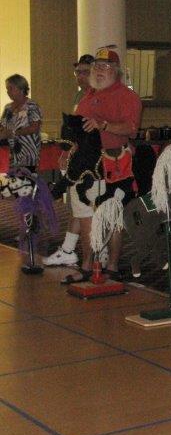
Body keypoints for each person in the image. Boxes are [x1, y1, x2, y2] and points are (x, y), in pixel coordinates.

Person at [60, 47, 142, 283]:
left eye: (105, 66)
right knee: (85, 215)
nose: (99, 70)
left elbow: (131, 129)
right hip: (84, 165)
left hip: (112, 165)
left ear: (116, 71)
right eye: (97, 66)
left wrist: (104, 125)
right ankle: (87, 265)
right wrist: (67, 151)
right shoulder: (87, 96)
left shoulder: (127, 97)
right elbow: (79, 129)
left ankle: (112, 266)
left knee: (112, 218)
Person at [44, 54, 97, 268]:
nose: (80, 76)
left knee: (84, 209)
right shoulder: (80, 97)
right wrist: (66, 151)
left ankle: (87, 257)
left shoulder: (97, 97)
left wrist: (69, 152)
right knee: (78, 207)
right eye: (77, 72)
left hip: (90, 164)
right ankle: (69, 250)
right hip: (79, 159)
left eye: (85, 72)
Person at [0, 74, 42, 174]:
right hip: (11, 154)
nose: (8, 92)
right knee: (12, 182)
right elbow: (2, 125)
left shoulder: (31, 106)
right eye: (7, 89)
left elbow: (35, 127)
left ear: (21, 88)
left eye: (11, 88)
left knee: (26, 181)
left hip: (28, 154)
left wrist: (14, 133)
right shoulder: (8, 108)